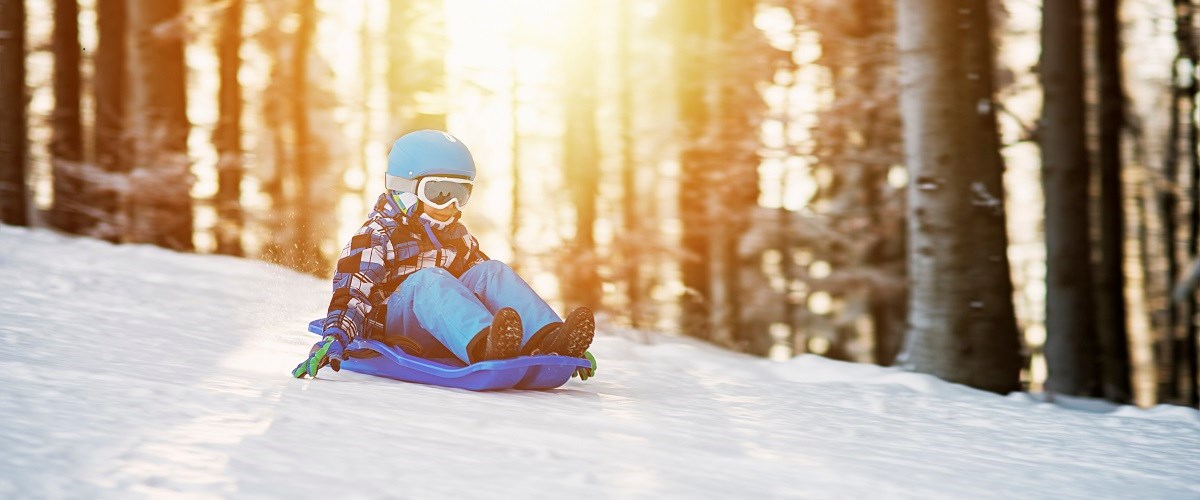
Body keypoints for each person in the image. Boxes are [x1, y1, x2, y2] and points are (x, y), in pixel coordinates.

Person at [293, 130, 597, 380]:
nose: (452, 204)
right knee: (429, 279)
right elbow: (353, 292)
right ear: (406, 189)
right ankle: (485, 345)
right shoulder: (376, 235)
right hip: (398, 328)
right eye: (439, 192)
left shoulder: (457, 235)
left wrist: (565, 351)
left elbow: (488, 290)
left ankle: (550, 339)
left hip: (447, 324)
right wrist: (334, 336)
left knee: (492, 270)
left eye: (461, 193)